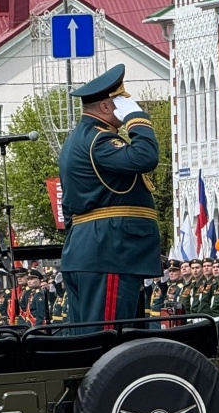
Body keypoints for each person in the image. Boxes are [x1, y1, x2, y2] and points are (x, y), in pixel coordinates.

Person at [59, 64, 161, 328]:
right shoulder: (100, 141)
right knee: (109, 340)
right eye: (121, 102)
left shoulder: (80, 139)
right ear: (105, 107)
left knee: (92, 339)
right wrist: (137, 119)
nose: (126, 108)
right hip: (110, 251)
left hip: (93, 249)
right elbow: (145, 157)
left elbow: (70, 206)